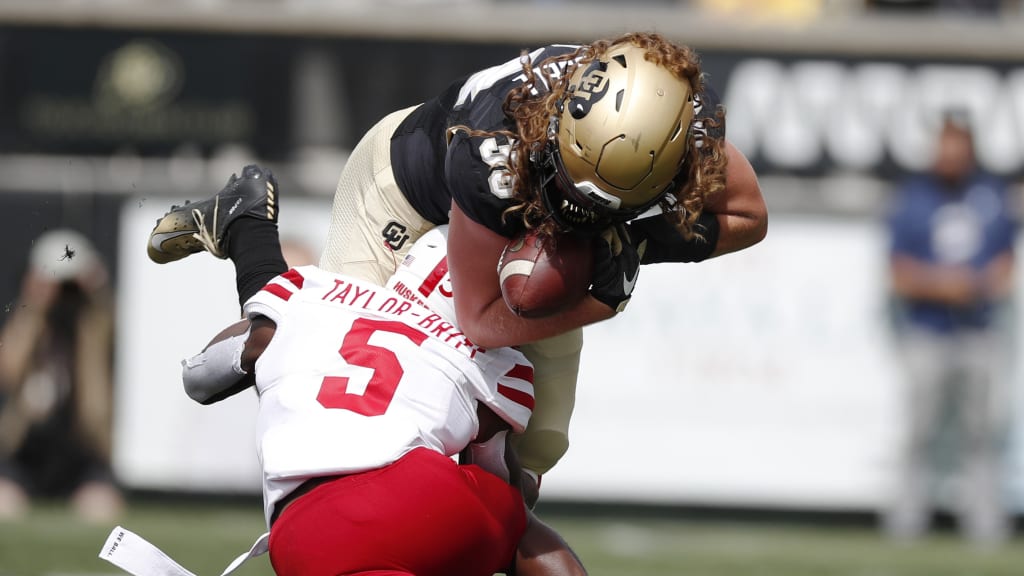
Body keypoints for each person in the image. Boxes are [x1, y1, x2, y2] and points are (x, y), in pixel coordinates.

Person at [147, 32, 768, 493]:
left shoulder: (688, 128)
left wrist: (637, 244)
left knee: (534, 447)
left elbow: (749, 217)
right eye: (574, 185)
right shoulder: (490, 151)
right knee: (320, 394)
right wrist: (601, 296)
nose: (580, 210)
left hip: (515, 233)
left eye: (604, 202)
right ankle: (247, 226)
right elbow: (477, 320)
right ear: (558, 127)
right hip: (410, 198)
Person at [106, 167, 587, 576]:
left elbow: (199, 379)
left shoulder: (313, 296)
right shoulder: (498, 367)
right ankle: (244, 223)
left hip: (304, 529)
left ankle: (244, 224)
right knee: (523, 534)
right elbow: (508, 493)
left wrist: (265, 354)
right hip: (419, 501)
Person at [882, 112, 1017, 546]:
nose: (951, 155)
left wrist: (977, 286)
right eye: (945, 145)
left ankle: (984, 522)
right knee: (919, 426)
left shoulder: (991, 195)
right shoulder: (913, 198)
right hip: (928, 329)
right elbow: (898, 273)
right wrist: (944, 286)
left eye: (958, 146)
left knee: (982, 429)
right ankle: (907, 520)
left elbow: (1005, 263)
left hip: (979, 330)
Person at [0, 228, 124, 523]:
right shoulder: (29, 324)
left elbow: (110, 335)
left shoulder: (93, 326)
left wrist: (96, 296)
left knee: (101, 510)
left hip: (80, 455)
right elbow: (9, 370)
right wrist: (35, 304)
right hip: (26, 453)